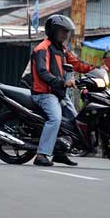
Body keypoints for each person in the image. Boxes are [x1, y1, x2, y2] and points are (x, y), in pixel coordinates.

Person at [30, 14, 95, 167]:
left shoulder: (62, 49)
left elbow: (76, 63)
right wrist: (63, 82)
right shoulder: (42, 49)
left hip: (58, 93)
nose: (65, 35)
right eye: (62, 31)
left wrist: (95, 69)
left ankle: (60, 153)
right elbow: (42, 72)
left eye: (67, 31)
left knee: (75, 121)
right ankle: (41, 155)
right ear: (52, 30)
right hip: (44, 94)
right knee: (55, 119)